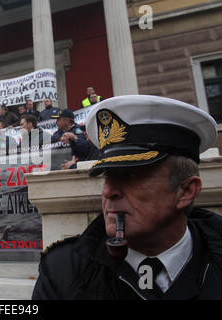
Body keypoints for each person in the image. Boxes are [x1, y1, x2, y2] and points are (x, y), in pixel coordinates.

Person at [32, 95, 222, 300]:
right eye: (107, 176)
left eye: (132, 176)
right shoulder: (64, 270)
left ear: (185, 191)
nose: (108, 192)